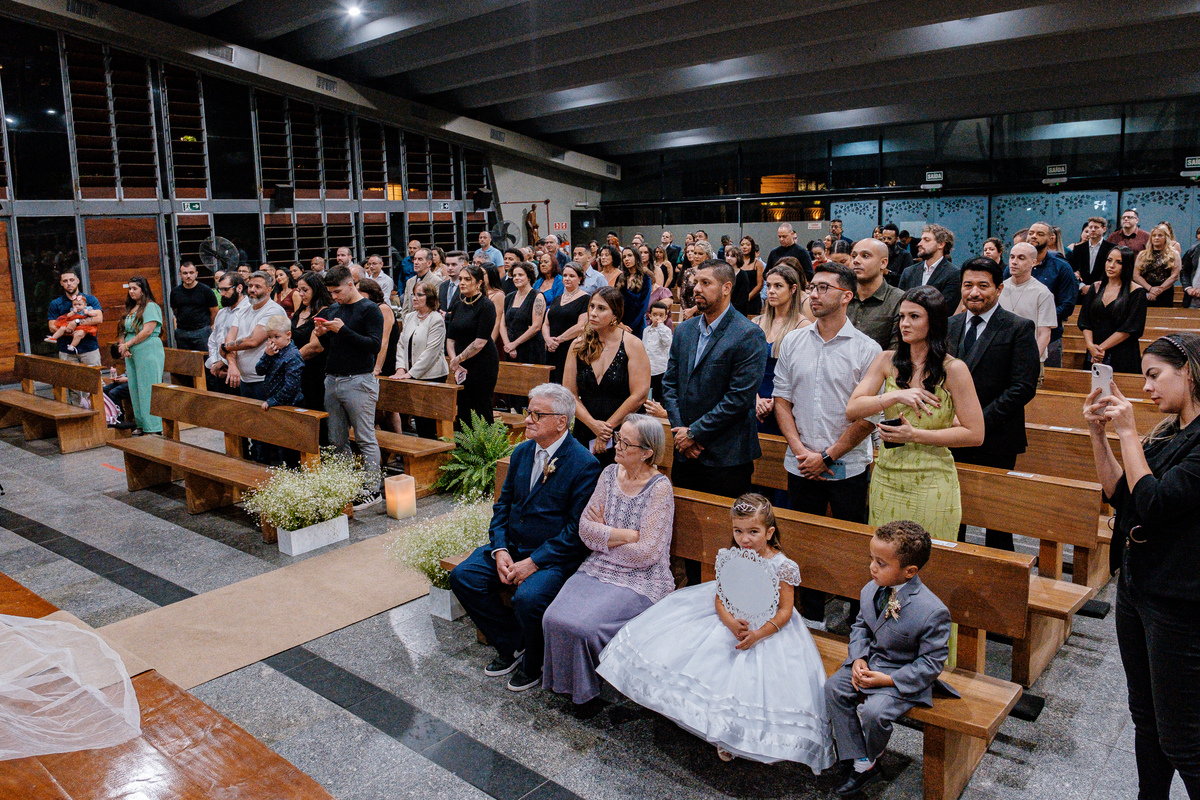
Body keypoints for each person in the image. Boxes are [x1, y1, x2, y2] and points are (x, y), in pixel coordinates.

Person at [597, 494, 835, 769]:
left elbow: (785, 611)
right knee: (706, 662)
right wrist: (730, 622)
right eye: (738, 531)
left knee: (749, 682)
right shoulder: (731, 556)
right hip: (731, 620)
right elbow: (720, 598)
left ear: (769, 532)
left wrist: (759, 634)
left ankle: (734, 736)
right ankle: (706, 723)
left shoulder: (782, 566)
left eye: (753, 532)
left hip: (768, 629)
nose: (745, 539)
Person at [1084, 333, 1200, 797]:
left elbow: (1152, 502)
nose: (1147, 387)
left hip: (1179, 599)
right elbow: (1119, 493)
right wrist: (1099, 433)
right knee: (1145, 717)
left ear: (1188, 369)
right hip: (1137, 585)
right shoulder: (1169, 431)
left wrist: (1128, 431)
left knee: (1184, 737)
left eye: (1155, 375)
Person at [847, 285, 985, 663]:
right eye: (902, 316)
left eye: (914, 317)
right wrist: (893, 397)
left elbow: (975, 433)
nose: (905, 323)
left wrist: (915, 434)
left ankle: (933, 661)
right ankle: (885, 652)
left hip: (931, 479)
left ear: (933, 323)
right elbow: (853, 408)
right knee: (883, 567)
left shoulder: (953, 369)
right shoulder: (887, 360)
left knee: (929, 570)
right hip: (888, 476)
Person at [449, 383, 603, 692]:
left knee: (529, 598)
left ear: (561, 421)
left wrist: (533, 562)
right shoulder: (521, 452)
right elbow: (503, 505)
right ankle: (513, 643)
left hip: (553, 558)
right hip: (513, 546)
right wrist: (500, 549)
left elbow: (576, 532)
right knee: (463, 576)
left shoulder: (584, 465)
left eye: (536, 414)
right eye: (527, 411)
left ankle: (535, 662)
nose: (527, 419)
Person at [773, 262, 881, 625]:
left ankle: (857, 618)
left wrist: (829, 455)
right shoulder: (793, 340)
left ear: (846, 295)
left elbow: (868, 418)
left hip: (847, 464)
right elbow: (782, 400)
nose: (813, 295)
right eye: (812, 288)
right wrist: (802, 451)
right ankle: (812, 615)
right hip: (800, 462)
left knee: (852, 546)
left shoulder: (867, 349)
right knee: (806, 543)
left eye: (823, 288)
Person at [542, 415, 673, 706]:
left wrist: (604, 540)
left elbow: (648, 553)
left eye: (626, 443)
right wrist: (626, 534)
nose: (618, 446)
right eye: (618, 438)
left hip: (642, 579)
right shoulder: (609, 474)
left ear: (647, 452)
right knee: (553, 617)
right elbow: (585, 529)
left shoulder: (660, 488)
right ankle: (565, 685)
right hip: (597, 567)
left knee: (585, 628)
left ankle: (588, 694)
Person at [824, 521, 958, 796]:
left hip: (902, 674)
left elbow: (931, 663)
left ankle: (869, 761)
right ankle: (856, 755)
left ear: (910, 571)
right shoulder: (871, 589)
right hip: (870, 662)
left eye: (881, 563)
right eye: (871, 559)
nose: (872, 567)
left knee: (874, 713)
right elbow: (860, 626)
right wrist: (859, 658)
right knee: (833, 688)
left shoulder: (932, 610)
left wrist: (888, 679)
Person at [946, 258, 1041, 551]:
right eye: (968, 285)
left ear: (999, 289)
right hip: (951, 435)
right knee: (954, 514)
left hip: (997, 436)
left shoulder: (1018, 327)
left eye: (983, 286)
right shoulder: (950, 325)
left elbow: (1022, 387)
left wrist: (977, 422)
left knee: (997, 522)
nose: (974, 292)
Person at [664, 259, 769, 498]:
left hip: (726, 456)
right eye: (695, 283)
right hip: (684, 453)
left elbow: (739, 398)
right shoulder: (684, 330)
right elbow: (669, 385)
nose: (696, 289)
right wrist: (681, 432)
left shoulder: (747, 334)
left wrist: (694, 434)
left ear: (726, 288)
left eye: (705, 282)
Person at [315, 265, 385, 510]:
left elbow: (373, 346)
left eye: (337, 291)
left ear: (350, 285)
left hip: (359, 380)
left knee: (365, 437)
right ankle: (345, 484)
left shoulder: (370, 310)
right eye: (331, 293)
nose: (334, 297)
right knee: (336, 439)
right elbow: (334, 345)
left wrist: (343, 330)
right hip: (333, 378)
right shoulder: (334, 309)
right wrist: (323, 333)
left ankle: (372, 489)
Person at [564, 287, 651, 467]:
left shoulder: (632, 344)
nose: (593, 313)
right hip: (587, 426)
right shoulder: (578, 345)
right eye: (592, 307)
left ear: (615, 315)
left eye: (601, 308)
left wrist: (606, 429)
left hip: (625, 430)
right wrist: (593, 425)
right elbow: (569, 393)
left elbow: (639, 395)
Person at [222, 271, 286, 458]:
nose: (253, 290)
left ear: (269, 288)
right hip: (245, 379)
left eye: (258, 286)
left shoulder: (273, 311)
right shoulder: (243, 310)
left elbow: (253, 341)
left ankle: (269, 469)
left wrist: (227, 347)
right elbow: (227, 342)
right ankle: (256, 467)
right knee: (252, 429)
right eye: (250, 286)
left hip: (266, 380)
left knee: (268, 431)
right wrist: (232, 365)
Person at [754, 263, 811, 438]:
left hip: (787, 403)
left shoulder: (804, 326)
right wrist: (755, 400)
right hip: (754, 399)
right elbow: (744, 369)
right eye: (768, 286)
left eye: (778, 286)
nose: (771, 291)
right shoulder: (756, 323)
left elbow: (803, 375)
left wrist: (776, 402)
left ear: (793, 289)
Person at [1014, 221, 1077, 368]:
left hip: (1050, 338)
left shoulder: (1061, 267)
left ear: (1051, 239)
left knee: (1047, 383)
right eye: (1031, 233)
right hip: (1018, 336)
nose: (1034, 236)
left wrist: (1038, 318)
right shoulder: (1015, 265)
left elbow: (1067, 305)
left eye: (1040, 234)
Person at [1079, 246, 1148, 374]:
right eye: (1109, 260)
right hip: (1094, 350)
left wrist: (1100, 349)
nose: (1111, 265)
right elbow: (1085, 321)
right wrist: (1091, 346)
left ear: (1127, 265)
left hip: (1122, 352)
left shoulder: (1137, 292)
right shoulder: (1095, 287)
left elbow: (1130, 328)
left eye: (1118, 262)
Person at [446, 264, 500, 427]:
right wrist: (455, 360)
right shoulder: (458, 304)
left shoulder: (486, 306)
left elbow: (480, 341)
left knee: (480, 405)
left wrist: (458, 359)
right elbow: (450, 337)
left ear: (478, 283)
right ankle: (463, 448)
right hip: (460, 364)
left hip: (482, 362)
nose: (462, 282)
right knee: (463, 405)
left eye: (467, 279)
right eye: (461, 279)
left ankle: (484, 448)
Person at [393, 282, 448, 438]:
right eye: (413, 294)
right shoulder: (410, 317)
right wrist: (400, 368)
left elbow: (431, 352)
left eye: (419, 295)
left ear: (429, 297)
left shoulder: (436, 319)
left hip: (432, 375)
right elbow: (401, 344)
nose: (414, 298)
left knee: (428, 420)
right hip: (411, 374)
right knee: (418, 418)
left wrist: (411, 373)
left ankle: (432, 453)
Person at [116, 277, 166, 436]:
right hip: (131, 351)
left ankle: (154, 426)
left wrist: (128, 345)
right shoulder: (130, 308)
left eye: (134, 288)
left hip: (148, 349)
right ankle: (141, 423)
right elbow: (123, 329)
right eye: (129, 288)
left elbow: (147, 331)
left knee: (148, 387)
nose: (131, 291)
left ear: (143, 290)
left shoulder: (150, 306)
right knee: (135, 388)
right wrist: (123, 346)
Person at [254, 314, 305, 461]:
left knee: (289, 451)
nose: (272, 341)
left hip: (290, 405)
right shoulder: (272, 352)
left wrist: (272, 401)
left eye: (276, 337)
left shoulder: (293, 355)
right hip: (274, 403)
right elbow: (259, 371)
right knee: (272, 446)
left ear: (288, 335)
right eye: (269, 337)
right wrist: (266, 356)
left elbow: (291, 386)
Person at [999, 243, 1057, 370]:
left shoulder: (1042, 293)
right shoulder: (1000, 288)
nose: (1014, 262)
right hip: (1000, 359)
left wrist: (1030, 361)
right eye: (1012, 257)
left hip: (1028, 360)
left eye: (1021, 258)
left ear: (1033, 262)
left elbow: (1044, 335)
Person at [290, 272, 332, 431]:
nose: (300, 294)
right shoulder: (301, 311)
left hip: (315, 371)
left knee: (315, 412)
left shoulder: (325, 312)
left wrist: (288, 361)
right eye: (299, 290)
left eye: (305, 290)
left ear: (316, 289)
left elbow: (315, 346)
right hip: (297, 370)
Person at [47, 270, 103, 384]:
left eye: (72, 280)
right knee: (73, 386)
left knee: (95, 383)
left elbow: (98, 318)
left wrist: (77, 323)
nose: (69, 283)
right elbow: (52, 327)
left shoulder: (90, 299)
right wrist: (73, 332)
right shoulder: (56, 303)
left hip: (89, 348)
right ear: (61, 283)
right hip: (66, 350)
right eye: (65, 281)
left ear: (78, 281)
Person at [847, 239, 903, 351]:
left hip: (881, 366)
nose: (856, 261)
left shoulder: (899, 300)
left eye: (865, 256)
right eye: (854, 256)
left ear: (883, 263)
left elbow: (896, 352)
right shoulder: (842, 297)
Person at [542, 263, 591, 384]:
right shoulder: (557, 299)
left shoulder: (585, 299)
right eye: (565, 275)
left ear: (580, 278)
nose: (567, 279)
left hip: (571, 348)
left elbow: (581, 326)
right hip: (552, 349)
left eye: (572, 276)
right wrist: (548, 339)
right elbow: (546, 323)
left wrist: (558, 340)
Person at [898, 224, 960, 311]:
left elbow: (947, 308)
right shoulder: (908, 272)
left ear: (941, 244)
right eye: (921, 240)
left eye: (926, 240)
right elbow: (900, 303)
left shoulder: (953, 273)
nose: (919, 244)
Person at [206, 274, 246, 396]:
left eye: (226, 289)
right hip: (219, 371)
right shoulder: (222, 312)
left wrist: (224, 362)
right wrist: (214, 363)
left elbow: (242, 343)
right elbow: (213, 340)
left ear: (239, 288)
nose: (222, 293)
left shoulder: (248, 310)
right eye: (220, 289)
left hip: (239, 371)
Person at [501, 261, 547, 364]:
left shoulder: (537, 296)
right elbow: (502, 324)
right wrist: (508, 345)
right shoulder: (509, 297)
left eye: (520, 275)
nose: (516, 278)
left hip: (531, 348)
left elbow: (536, 326)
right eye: (514, 275)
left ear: (529, 277)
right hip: (510, 349)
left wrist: (515, 344)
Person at [169, 261, 217, 352]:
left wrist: (208, 327)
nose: (188, 276)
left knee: (206, 361)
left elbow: (214, 311)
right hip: (182, 332)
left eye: (191, 273)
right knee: (186, 362)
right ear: (180, 275)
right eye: (185, 273)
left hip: (202, 331)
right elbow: (175, 310)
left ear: (196, 274)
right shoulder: (175, 292)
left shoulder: (206, 290)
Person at [1134, 224, 1182, 308]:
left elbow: (1175, 275)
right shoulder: (1143, 254)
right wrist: (1150, 289)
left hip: (1165, 290)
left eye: (1160, 235)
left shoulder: (1174, 254)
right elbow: (1136, 275)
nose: (1156, 238)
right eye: (1154, 236)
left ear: (1166, 238)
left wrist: (1159, 290)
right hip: (1145, 289)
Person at [1069, 217, 1115, 293]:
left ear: (1104, 229)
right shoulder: (1078, 248)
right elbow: (1071, 269)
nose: (1093, 229)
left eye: (1096, 227)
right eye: (1090, 227)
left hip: (1104, 290)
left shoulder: (1112, 248)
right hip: (1081, 291)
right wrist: (1082, 286)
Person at [618, 246, 652, 336]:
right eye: (624, 257)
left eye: (629, 255)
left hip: (637, 325)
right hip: (620, 325)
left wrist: (629, 327)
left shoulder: (645, 278)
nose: (626, 259)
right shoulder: (620, 278)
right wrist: (619, 323)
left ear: (636, 257)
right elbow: (615, 302)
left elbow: (643, 307)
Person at [642, 302, 673, 402]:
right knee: (647, 390)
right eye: (654, 315)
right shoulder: (646, 330)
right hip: (647, 367)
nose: (657, 318)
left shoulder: (666, 330)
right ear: (650, 316)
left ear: (665, 317)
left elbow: (668, 342)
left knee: (659, 392)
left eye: (661, 315)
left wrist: (660, 326)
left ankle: (658, 410)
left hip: (659, 368)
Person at [402, 248, 443, 315]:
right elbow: (405, 307)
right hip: (410, 321)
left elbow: (434, 307)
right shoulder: (410, 282)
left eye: (420, 259)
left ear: (429, 263)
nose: (416, 262)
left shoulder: (437, 282)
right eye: (415, 259)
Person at [740, 236, 766, 315]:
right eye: (742, 245)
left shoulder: (757, 263)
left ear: (752, 246)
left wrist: (747, 298)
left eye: (747, 244)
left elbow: (760, 285)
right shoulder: (737, 263)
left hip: (753, 301)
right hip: (738, 300)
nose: (744, 247)